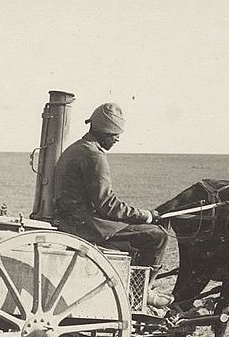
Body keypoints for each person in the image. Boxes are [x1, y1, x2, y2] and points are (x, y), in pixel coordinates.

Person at [53, 102, 173, 308]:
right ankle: (140, 294)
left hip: (70, 218)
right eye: (113, 134)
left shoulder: (77, 148)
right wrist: (144, 215)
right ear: (102, 132)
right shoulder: (94, 154)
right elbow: (107, 204)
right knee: (156, 236)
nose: (117, 138)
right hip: (84, 224)